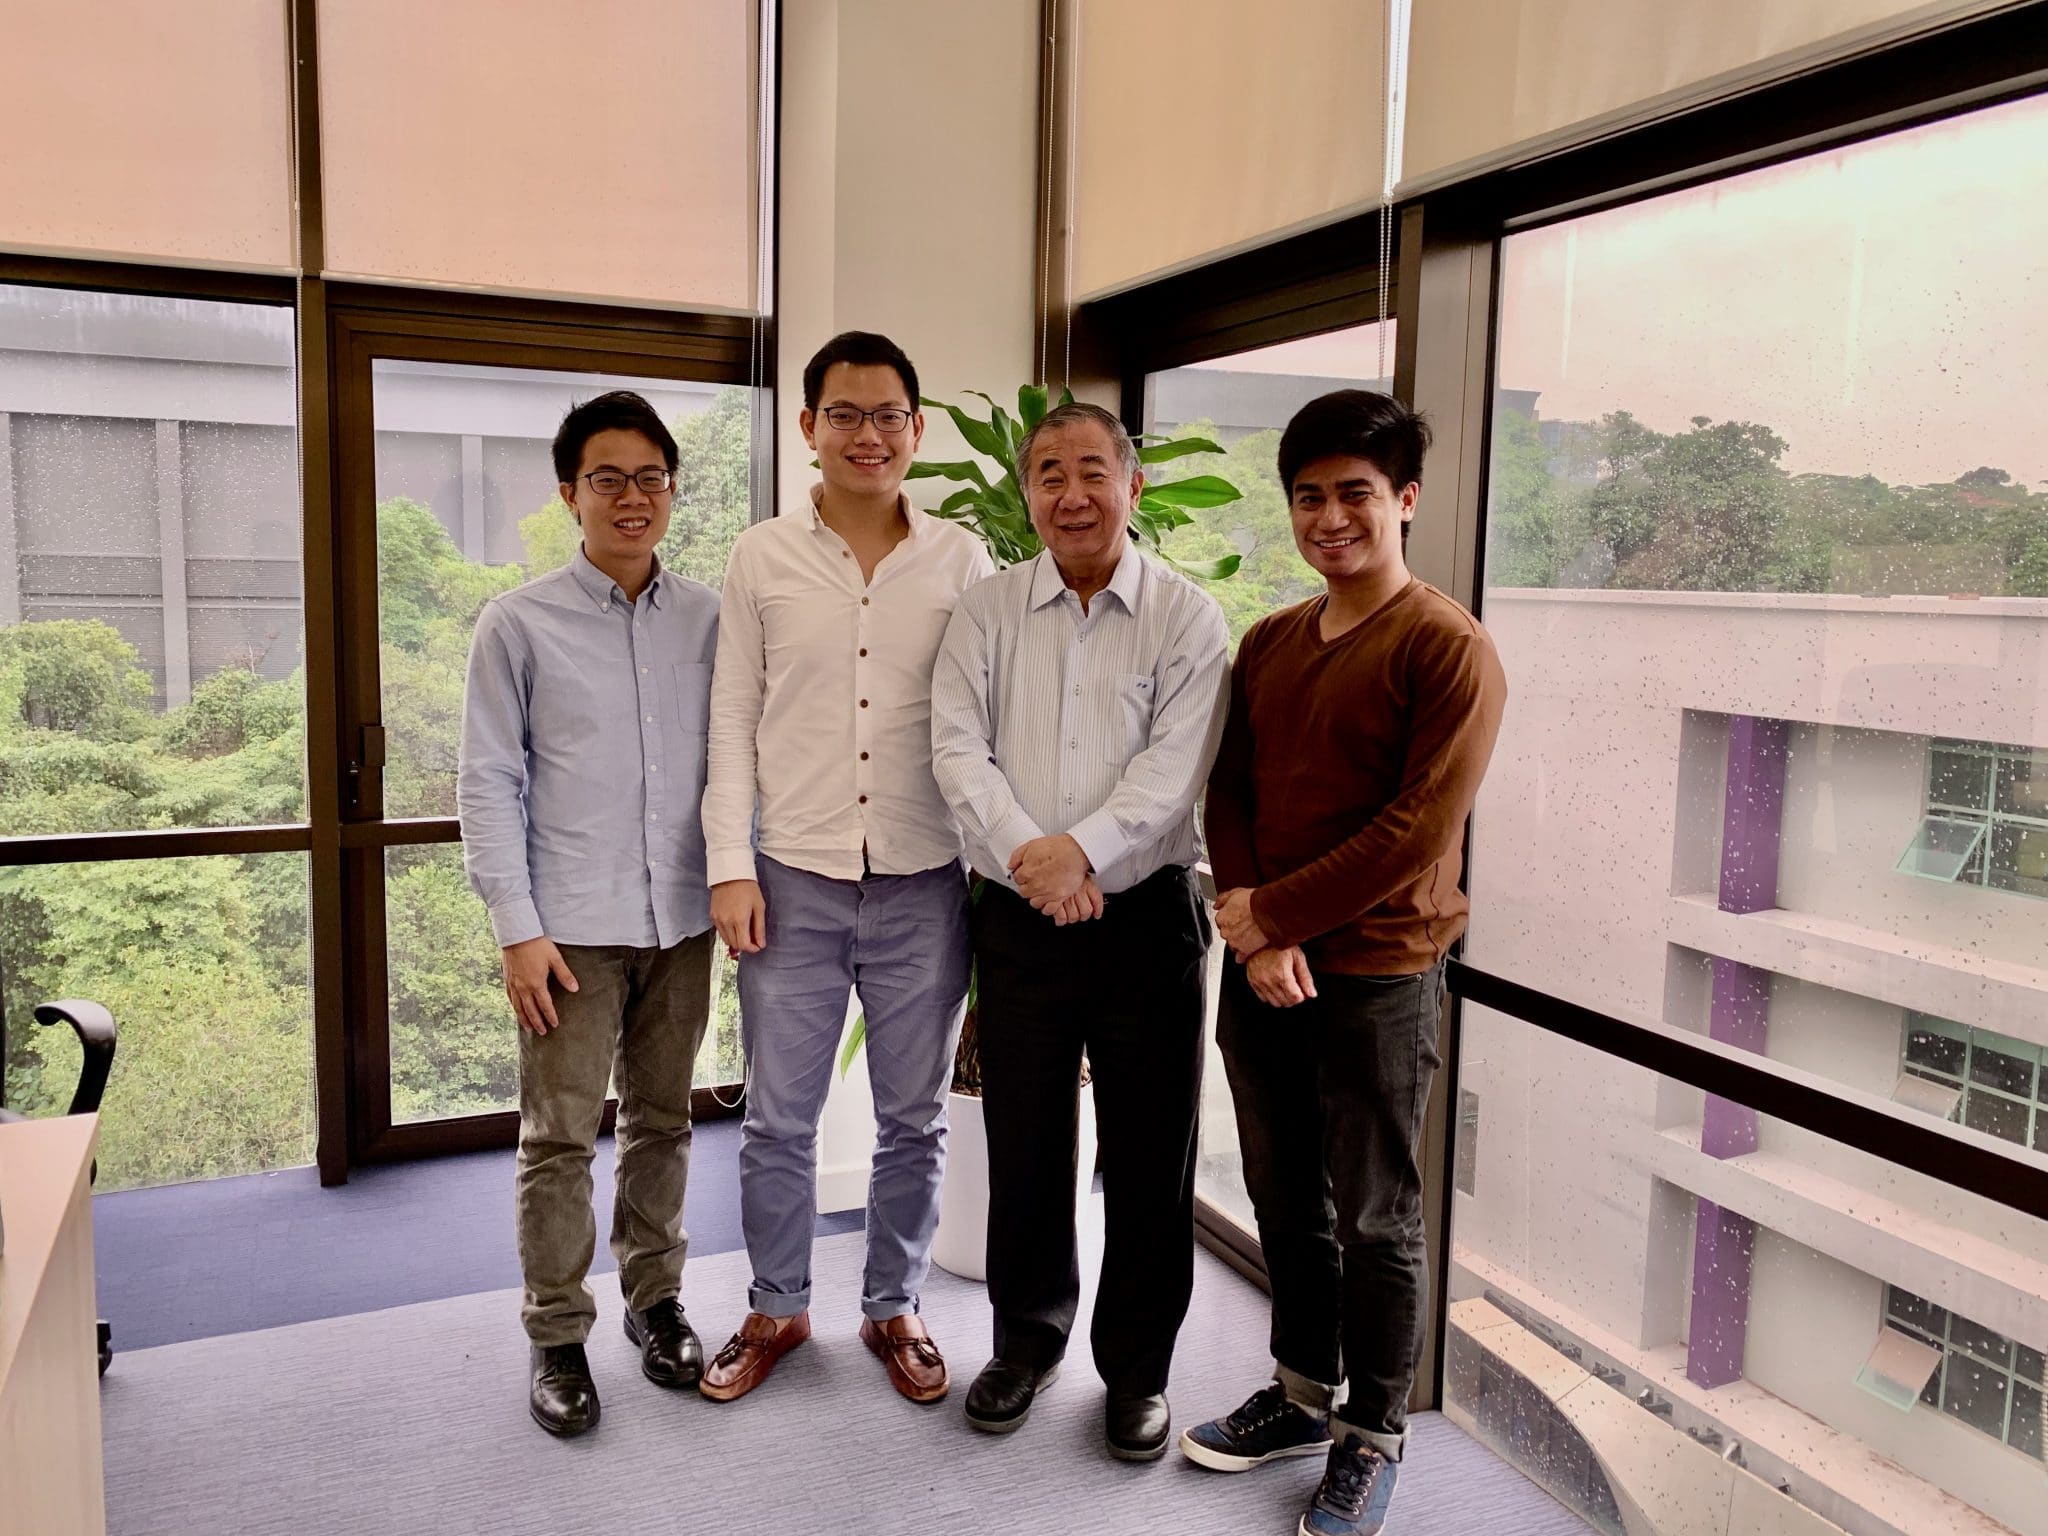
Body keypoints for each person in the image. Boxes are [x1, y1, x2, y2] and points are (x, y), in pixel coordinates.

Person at [1184, 391, 1506, 1536]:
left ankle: (1372, 1433)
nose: (1330, 517)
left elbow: (1416, 830)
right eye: (1309, 497)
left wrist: (1272, 922)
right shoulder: (1271, 639)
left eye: (1355, 494)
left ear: (1404, 501)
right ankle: (1298, 1395)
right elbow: (1228, 787)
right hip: (1268, 961)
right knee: (1282, 1190)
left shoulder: (1446, 645)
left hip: (1375, 972)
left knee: (1377, 1214)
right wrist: (1255, 925)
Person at [930, 401, 1230, 1462]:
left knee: (1151, 1153)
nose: (1070, 492)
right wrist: (1033, 856)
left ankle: (1137, 1371)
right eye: (1048, 472)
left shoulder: (1187, 619)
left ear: (1132, 486)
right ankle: (1025, 1340)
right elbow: (957, 748)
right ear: (1026, 494)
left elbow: (1173, 771)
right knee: (1023, 1141)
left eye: (1091, 470)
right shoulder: (987, 611)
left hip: (1145, 917)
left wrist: (1080, 854)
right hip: (1019, 916)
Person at [698, 331, 991, 1405]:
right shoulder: (759, 556)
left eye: (887, 416)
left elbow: (985, 724)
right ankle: (776, 1304)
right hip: (791, 880)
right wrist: (729, 864)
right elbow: (731, 720)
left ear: (915, 430)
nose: (866, 435)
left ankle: (893, 1306)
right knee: (777, 1117)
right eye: (844, 414)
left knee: (911, 1118)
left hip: (925, 881)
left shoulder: (963, 561)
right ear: (808, 425)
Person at [458, 390, 722, 1437]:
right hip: (564, 929)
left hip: (685, 919)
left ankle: (654, 1304)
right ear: (569, 493)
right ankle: (557, 1330)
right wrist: (516, 929)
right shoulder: (517, 622)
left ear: (671, 490)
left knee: (664, 1122)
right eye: (607, 479)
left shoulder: (712, 615)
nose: (631, 497)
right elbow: (486, 782)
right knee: (557, 1138)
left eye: (650, 477)